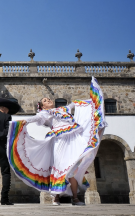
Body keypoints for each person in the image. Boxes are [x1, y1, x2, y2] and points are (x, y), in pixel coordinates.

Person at [7, 77, 107, 206]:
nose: (48, 100)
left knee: (72, 166)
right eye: (45, 101)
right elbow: (36, 117)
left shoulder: (64, 109)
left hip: (72, 139)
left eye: (49, 99)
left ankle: (75, 198)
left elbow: (77, 104)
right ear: (42, 106)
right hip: (59, 141)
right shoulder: (46, 113)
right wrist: (25, 121)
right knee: (59, 166)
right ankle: (56, 198)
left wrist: (94, 101)